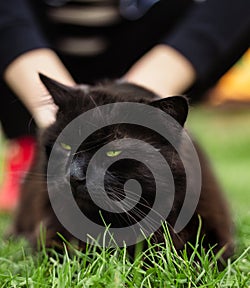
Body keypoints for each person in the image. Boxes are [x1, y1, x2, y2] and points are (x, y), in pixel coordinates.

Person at [0, 0, 249, 211]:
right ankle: (28, 144)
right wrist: (55, 115)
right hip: (33, 60)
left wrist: (138, 101)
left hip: (146, 56)